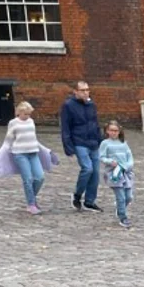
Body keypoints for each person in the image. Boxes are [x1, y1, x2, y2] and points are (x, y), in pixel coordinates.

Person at [0, 101, 55, 214]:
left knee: (40, 177)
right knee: (27, 179)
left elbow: (34, 139)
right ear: (20, 112)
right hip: (20, 154)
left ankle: (31, 198)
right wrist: (0, 154)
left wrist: (46, 150)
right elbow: (8, 141)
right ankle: (31, 204)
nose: (27, 116)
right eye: (25, 114)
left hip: (33, 152)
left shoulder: (31, 122)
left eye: (29, 114)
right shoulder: (13, 123)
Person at [60, 81, 102, 212]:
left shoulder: (91, 104)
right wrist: (68, 146)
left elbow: (95, 122)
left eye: (87, 90)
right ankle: (77, 195)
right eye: (82, 90)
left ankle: (90, 201)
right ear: (75, 91)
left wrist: (100, 139)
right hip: (79, 141)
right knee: (87, 169)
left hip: (93, 141)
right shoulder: (68, 105)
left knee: (95, 173)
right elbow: (65, 127)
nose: (85, 92)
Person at [98, 121, 135, 228]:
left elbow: (130, 156)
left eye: (116, 131)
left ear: (119, 131)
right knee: (121, 196)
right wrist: (110, 162)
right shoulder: (105, 143)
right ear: (107, 131)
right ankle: (122, 216)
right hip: (114, 173)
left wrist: (128, 166)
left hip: (125, 172)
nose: (113, 133)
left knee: (129, 197)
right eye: (111, 130)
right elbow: (101, 157)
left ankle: (119, 207)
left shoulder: (123, 143)